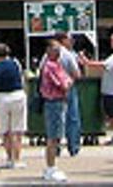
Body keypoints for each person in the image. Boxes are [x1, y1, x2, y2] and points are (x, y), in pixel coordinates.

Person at [39, 38, 73, 183]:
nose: (59, 53)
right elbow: (64, 84)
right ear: (48, 51)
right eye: (55, 50)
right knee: (53, 137)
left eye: (59, 50)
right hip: (53, 102)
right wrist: (68, 82)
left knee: (57, 136)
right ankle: (50, 167)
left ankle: (51, 167)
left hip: (58, 102)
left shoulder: (56, 64)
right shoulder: (50, 66)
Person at [0, 42, 26, 169]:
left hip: (1, 97)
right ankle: (18, 159)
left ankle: (9, 158)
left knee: (5, 130)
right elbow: (22, 78)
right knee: (18, 130)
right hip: (17, 95)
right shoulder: (15, 64)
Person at [57, 32, 83, 157]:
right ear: (62, 40)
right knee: (72, 118)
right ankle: (73, 147)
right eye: (69, 39)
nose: (72, 41)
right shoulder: (68, 54)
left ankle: (55, 146)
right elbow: (77, 73)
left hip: (53, 90)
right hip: (69, 88)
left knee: (55, 118)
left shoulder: (47, 55)